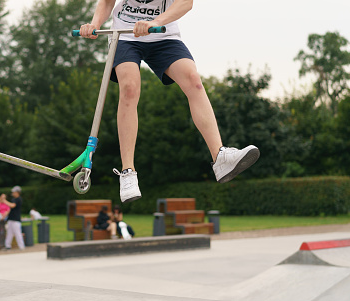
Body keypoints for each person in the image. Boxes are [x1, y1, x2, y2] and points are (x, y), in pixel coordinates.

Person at [79, 0, 260, 203]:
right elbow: (106, 2)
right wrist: (94, 24)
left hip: (162, 33)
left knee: (193, 81)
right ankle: (128, 171)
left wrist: (154, 21)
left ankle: (221, 157)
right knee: (129, 88)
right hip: (125, 35)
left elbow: (185, 3)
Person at [0, 186, 25, 250]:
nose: (13, 193)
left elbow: (13, 205)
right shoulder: (13, 199)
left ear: (17, 192)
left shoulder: (18, 199)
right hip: (11, 218)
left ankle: (21, 246)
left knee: (17, 233)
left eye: (14, 192)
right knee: (9, 233)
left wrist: (4, 201)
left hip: (16, 219)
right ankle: (7, 246)